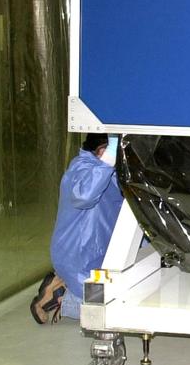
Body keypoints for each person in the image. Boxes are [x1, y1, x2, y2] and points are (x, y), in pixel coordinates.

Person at [33, 132, 124, 323]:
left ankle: (65, 287)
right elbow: (85, 195)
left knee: (122, 298)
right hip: (78, 258)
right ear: (102, 151)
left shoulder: (110, 170)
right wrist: (110, 156)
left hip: (99, 256)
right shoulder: (81, 168)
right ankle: (59, 296)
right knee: (107, 315)